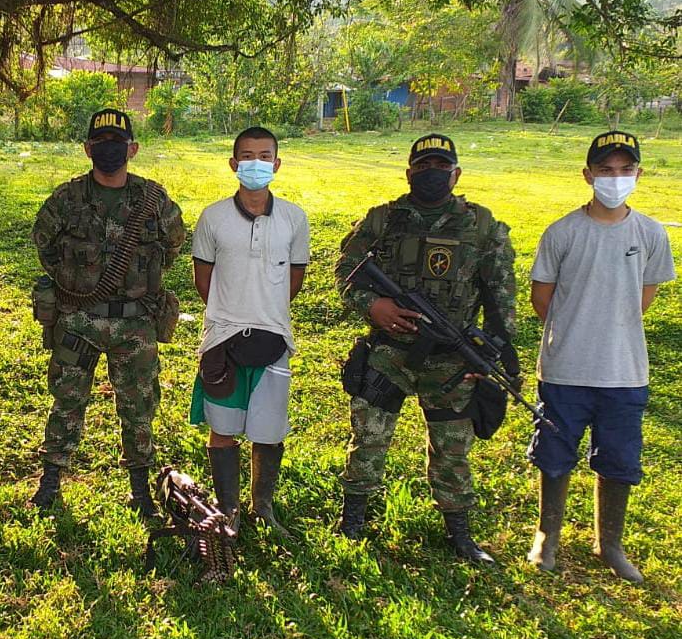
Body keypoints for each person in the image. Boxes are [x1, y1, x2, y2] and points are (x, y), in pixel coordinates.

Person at [334, 134, 517, 563]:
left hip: (451, 361)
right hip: (390, 351)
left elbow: (501, 297)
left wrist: (493, 355)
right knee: (368, 437)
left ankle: (460, 532)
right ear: (409, 173)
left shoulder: (482, 225)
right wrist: (373, 305)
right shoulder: (382, 220)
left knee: (453, 447)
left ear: (456, 174)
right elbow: (346, 273)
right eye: (422, 167)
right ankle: (353, 519)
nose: (431, 174)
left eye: (440, 166)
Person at [526, 131, 675, 584]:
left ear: (639, 174)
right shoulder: (563, 232)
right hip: (565, 368)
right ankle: (546, 535)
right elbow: (542, 299)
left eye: (625, 170)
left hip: (624, 372)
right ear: (588, 175)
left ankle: (609, 542)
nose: (616, 179)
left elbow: (642, 299)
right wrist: (579, 329)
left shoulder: (651, 234)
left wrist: (607, 328)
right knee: (554, 454)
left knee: (619, 460)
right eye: (606, 171)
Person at [30, 108, 185, 516]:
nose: (109, 152)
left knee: (138, 406)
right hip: (78, 319)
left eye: (117, 145)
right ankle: (50, 481)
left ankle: (140, 488)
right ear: (87, 149)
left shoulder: (153, 200)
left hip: (135, 323)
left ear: (132, 148)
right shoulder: (67, 199)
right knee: (66, 400)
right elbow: (44, 245)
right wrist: (75, 283)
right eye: (101, 145)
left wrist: (138, 281)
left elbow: (172, 245)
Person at [189, 127, 309, 538]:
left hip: (274, 338)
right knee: (222, 429)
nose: (255, 163)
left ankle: (263, 508)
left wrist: (264, 311)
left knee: (269, 431)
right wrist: (234, 311)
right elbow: (203, 280)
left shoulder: (294, 218)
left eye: (264, 156)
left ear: (276, 164)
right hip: (223, 338)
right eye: (246, 156)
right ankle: (227, 511)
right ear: (233, 164)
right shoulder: (213, 217)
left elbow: (295, 280)